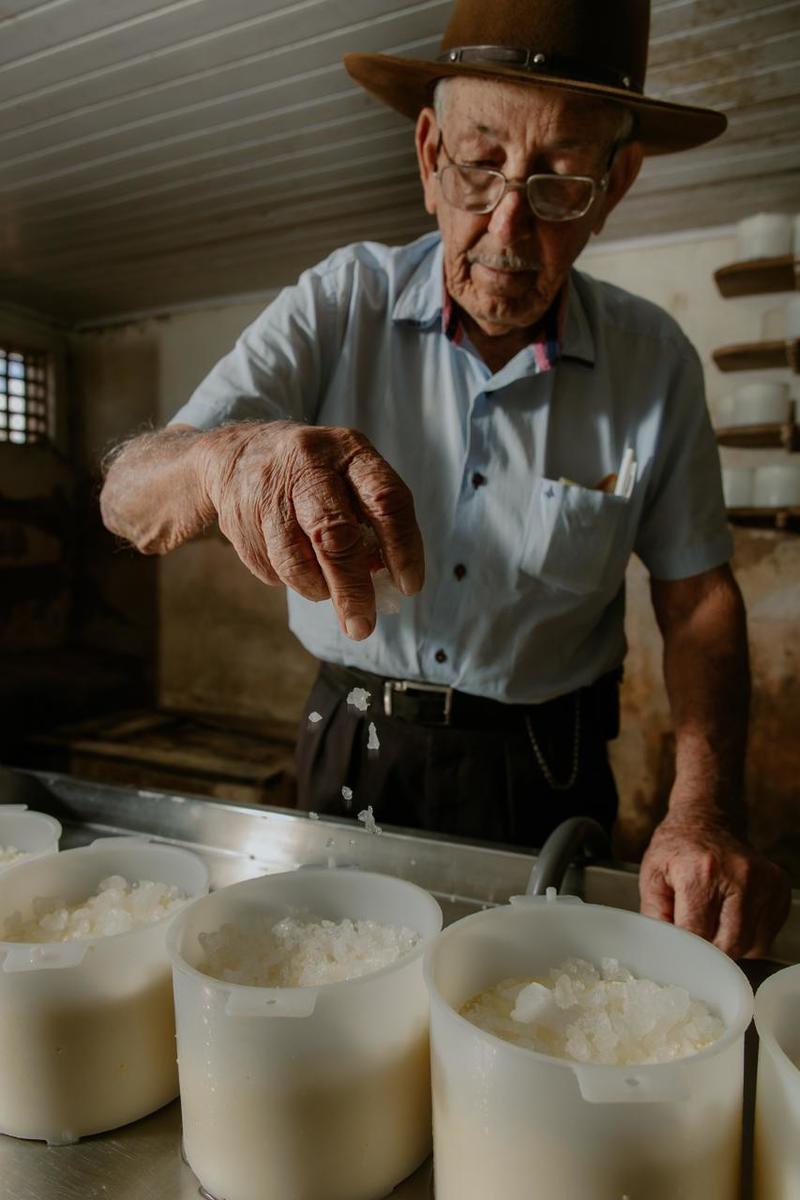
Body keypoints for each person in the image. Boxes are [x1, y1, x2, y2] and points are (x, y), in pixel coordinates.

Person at [100, 0, 791, 958]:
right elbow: (128, 493)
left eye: (559, 183)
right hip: (354, 734)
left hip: (549, 762)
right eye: (480, 164)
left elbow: (701, 600)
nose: (508, 225)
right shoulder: (341, 300)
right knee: (336, 1003)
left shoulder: (655, 362)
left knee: (540, 1016)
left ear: (615, 184)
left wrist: (704, 808)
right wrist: (225, 459)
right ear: (429, 155)